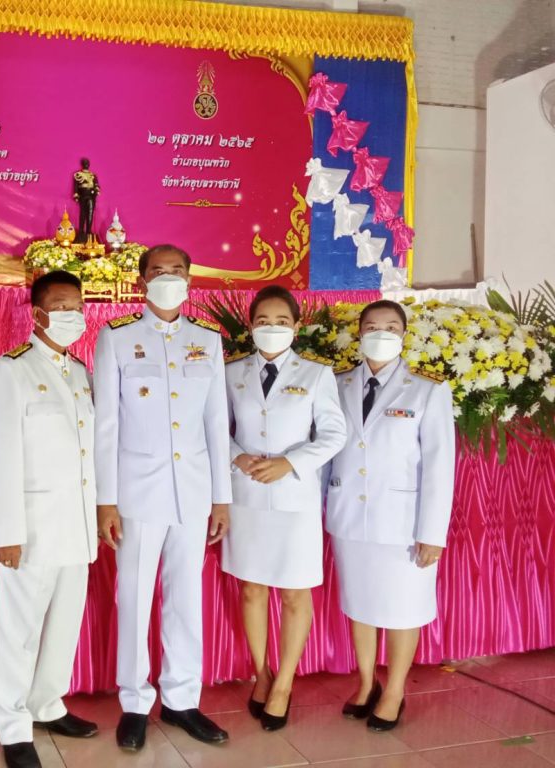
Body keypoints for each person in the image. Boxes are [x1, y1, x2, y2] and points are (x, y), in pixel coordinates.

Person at [93, 244, 232, 751]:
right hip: (137, 491)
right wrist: (106, 499)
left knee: (186, 596)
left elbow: (216, 422)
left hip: (192, 491)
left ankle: (181, 699)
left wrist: (222, 497)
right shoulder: (116, 337)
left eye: (176, 271)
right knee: (133, 596)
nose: (168, 278)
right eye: (158, 271)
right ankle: (134, 701)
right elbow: (106, 424)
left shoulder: (207, 340)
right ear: (141, 281)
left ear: (190, 280)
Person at [0, 271, 99, 768]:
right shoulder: (11, 371)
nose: (72, 314)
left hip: (76, 524)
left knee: (64, 624)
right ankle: (12, 726)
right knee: (20, 630)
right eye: (61, 305)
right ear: (38, 314)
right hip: (30, 528)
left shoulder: (79, 371)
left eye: (78, 306)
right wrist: (7, 530)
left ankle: (47, 703)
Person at [220, 286, 347, 731]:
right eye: (263, 321)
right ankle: (262, 673)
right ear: (250, 325)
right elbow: (214, 428)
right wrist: (237, 456)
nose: (271, 328)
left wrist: (291, 463)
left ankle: (285, 683)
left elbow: (334, 434)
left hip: (295, 500)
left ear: (296, 326)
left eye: (280, 321)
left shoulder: (316, 373)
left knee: (295, 593)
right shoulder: (231, 372)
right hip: (247, 497)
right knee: (252, 590)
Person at [326, 299, 455, 731]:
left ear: (403, 335)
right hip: (349, 515)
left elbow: (439, 466)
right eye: (372, 326)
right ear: (359, 333)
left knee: (404, 608)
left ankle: (395, 689)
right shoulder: (337, 384)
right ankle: (366, 683)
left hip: (402, 522)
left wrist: (432, 532)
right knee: (360, 604)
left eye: (391, 327)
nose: (380, 333)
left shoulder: (427, 390)